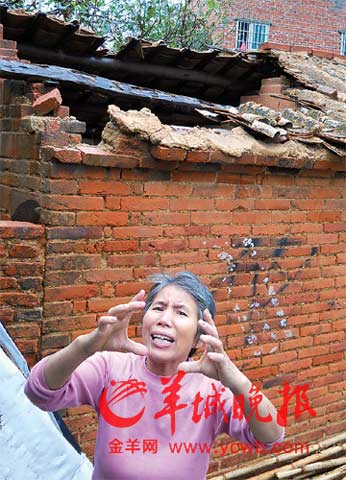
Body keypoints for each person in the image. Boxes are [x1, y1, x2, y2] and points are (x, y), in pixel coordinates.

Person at [24, 271, 284, 480]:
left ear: (198, 335)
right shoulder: (110, 367)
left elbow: (270, 437)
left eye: (181, 312)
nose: (165, 319)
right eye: (158, 308)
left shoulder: (212, 390)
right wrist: (86, 345)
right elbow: (38, 392)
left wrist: (237, 382)